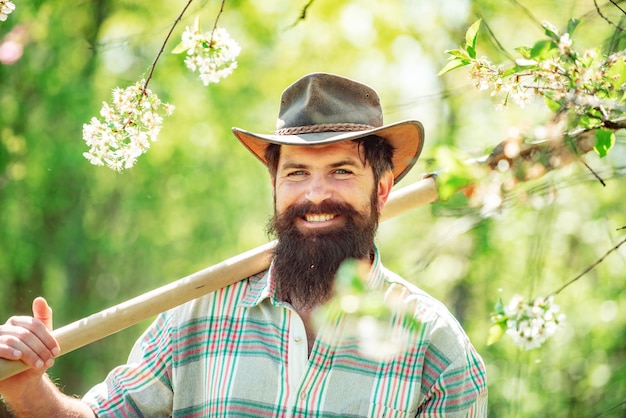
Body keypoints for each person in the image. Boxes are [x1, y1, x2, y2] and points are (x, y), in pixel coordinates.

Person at [0, 72, 487, 416]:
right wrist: (29, 391)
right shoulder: (194, 314)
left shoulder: (436, 347)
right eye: (296, 173)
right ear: (274, 187)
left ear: (381, 190)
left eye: (341, 171)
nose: (316, 194)